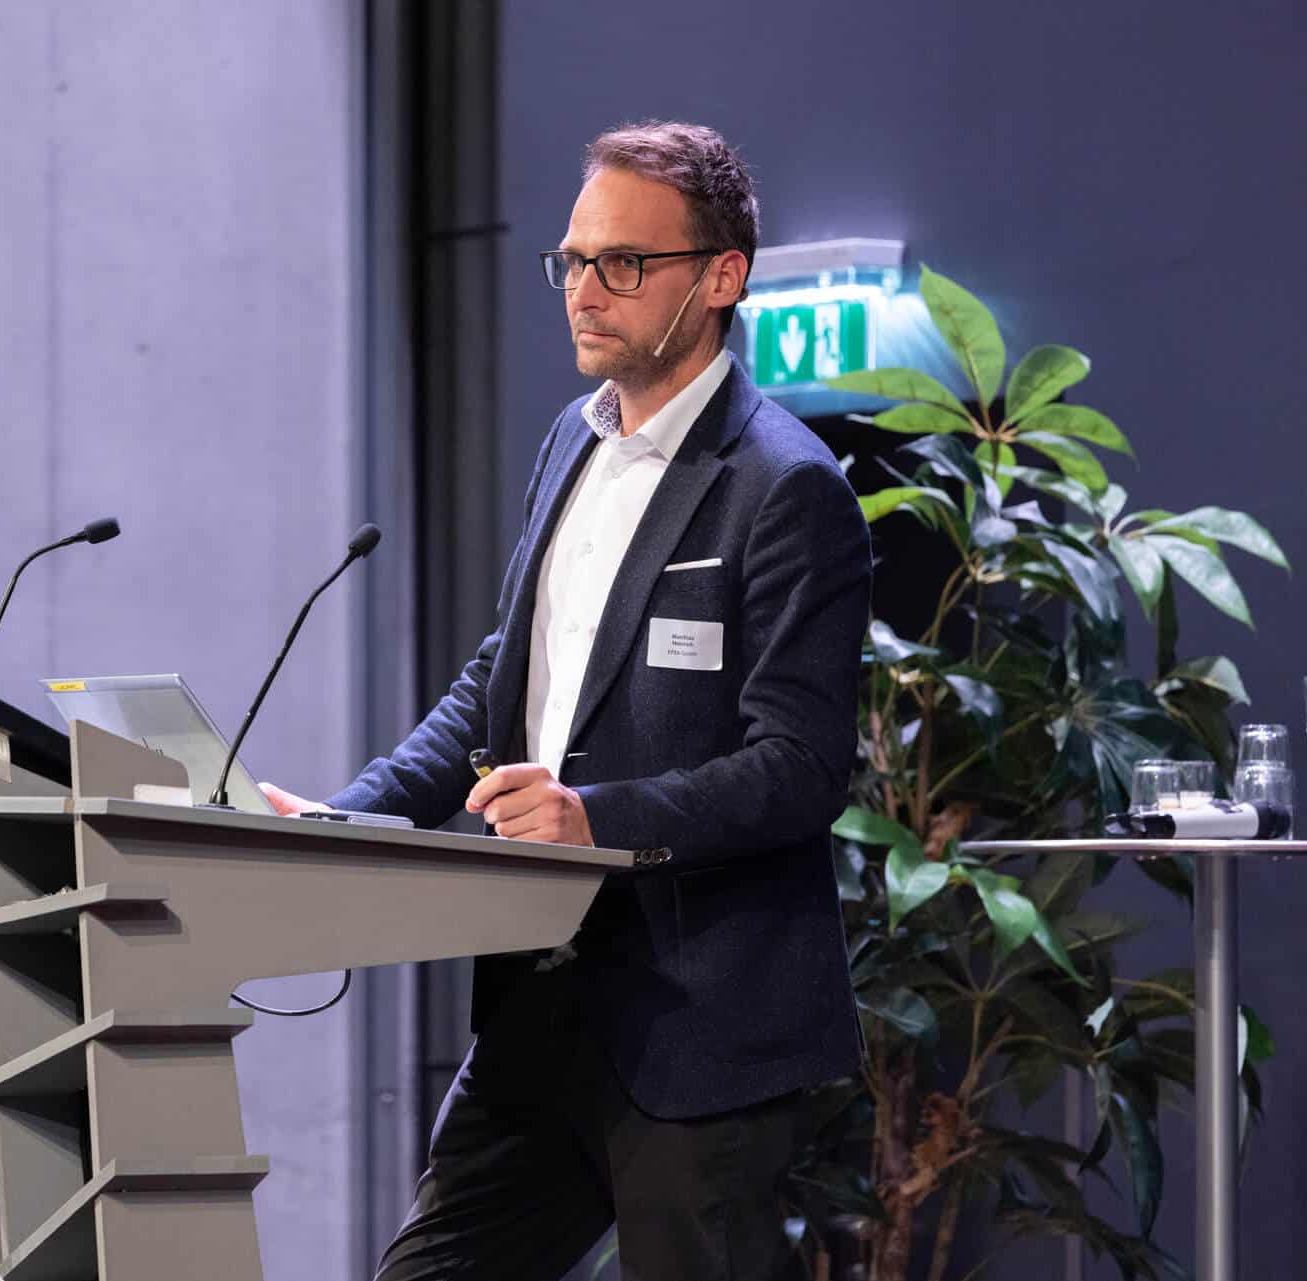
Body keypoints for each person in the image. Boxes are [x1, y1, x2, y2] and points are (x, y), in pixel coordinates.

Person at [261, 120, 871, 1281]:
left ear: (722, 277)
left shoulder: (787, 486)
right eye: (574, 260)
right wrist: (351, 820)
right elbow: (505, 682)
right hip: (539, 1002)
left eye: (624, 263)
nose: (586, 291)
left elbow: (801, 768)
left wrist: (597, 818)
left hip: (701, 1023)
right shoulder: (569, 444)